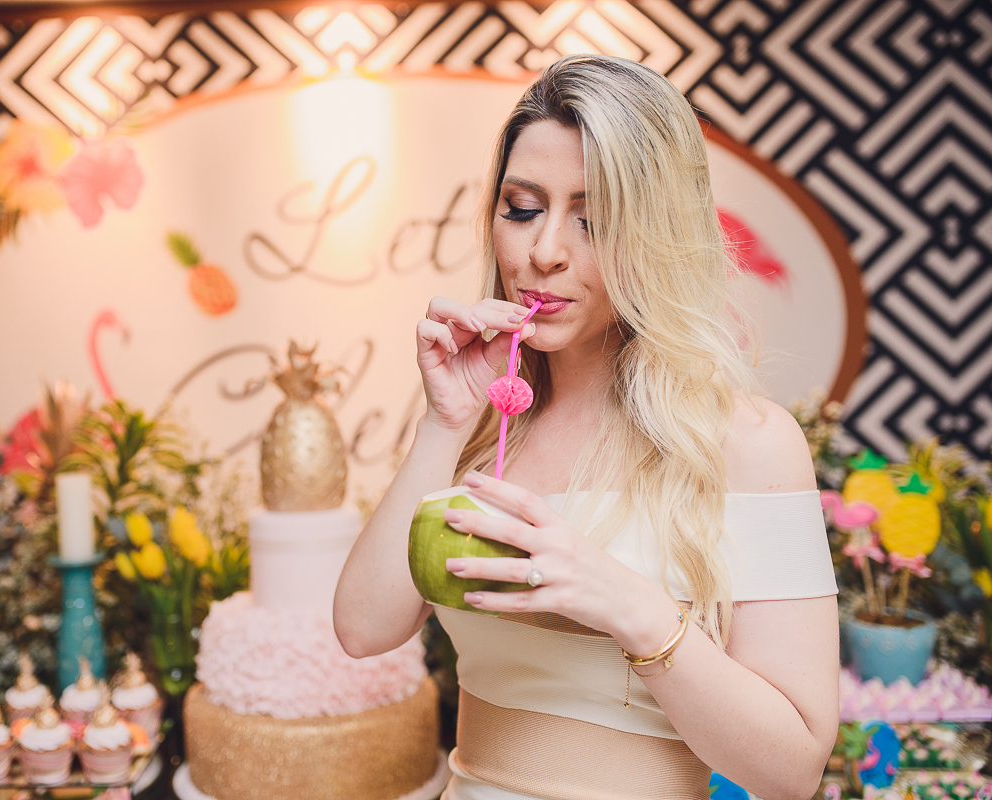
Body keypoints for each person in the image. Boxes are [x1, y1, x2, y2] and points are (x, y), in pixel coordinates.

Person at [334, 54, 838, 800]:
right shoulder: (483, 425)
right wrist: (442, 424)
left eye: (594, 219)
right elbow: (362, 630)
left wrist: (631, 609)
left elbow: (793, 771)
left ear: (658, 233)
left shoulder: (745, 443)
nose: (544, 253)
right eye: (522, 209)